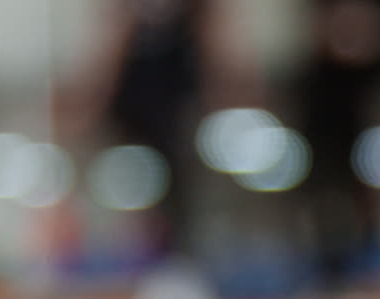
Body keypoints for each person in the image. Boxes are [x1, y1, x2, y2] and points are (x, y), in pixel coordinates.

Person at [61, 0, 259, 259]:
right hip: (135, 102)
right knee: (131, 185)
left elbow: (213, 42)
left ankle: (177, 250)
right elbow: (109, 43)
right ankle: (139, 249)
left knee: (182, 189)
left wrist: (230, 91)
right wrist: (90, 99)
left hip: (178, 104)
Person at [299, 0, 380, 291]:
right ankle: (330, 269)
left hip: (372, 100)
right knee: (325, 188)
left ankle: (371, 264)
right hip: (325, 104)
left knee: (372, 187)